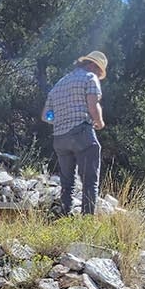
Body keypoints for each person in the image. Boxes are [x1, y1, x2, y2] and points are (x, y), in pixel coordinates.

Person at [43, 50, 107, 216]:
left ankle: (64, 215)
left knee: (67, 182)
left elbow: (46, 115)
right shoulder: (89, 78)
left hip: (60, 138)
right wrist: (99, 122)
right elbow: (93, 105)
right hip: (81, 133)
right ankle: (87, 221)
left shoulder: (59, 84)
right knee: (89, 180)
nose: (98, 75)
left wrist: (59, 120)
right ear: (93, 65)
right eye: (99, 72)